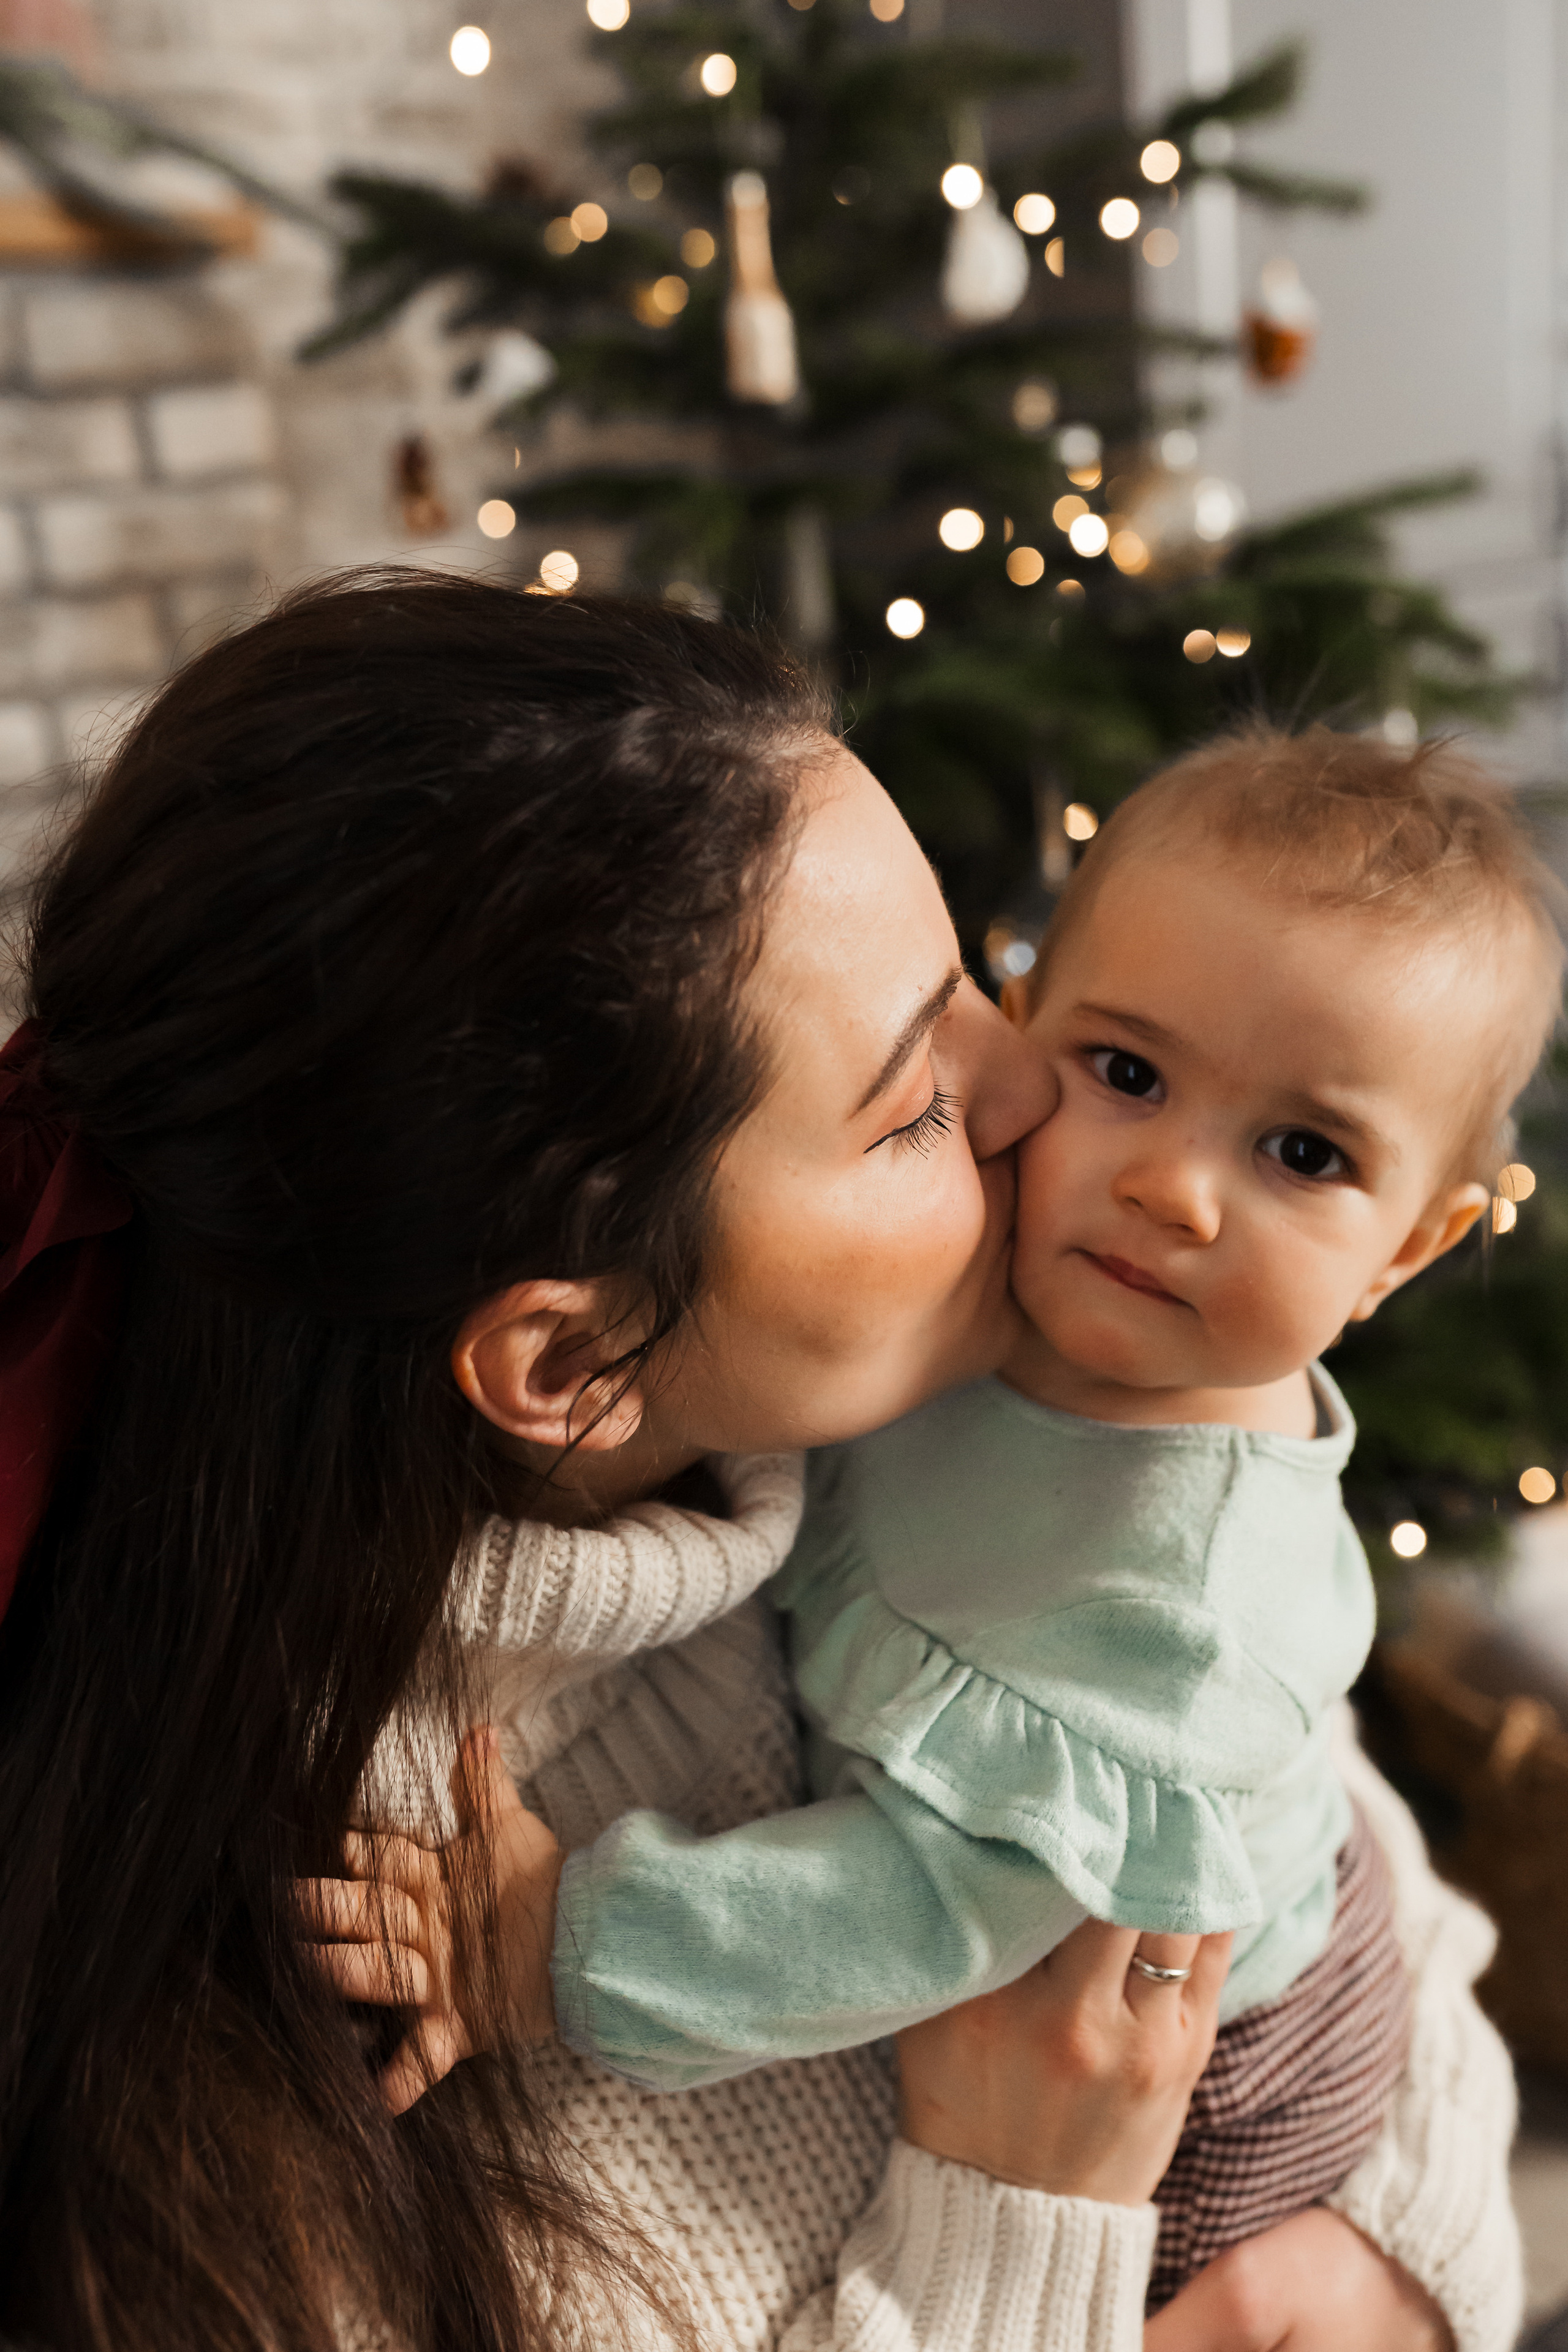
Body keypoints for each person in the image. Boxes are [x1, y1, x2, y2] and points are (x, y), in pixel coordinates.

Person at [0, 575, 1513, 2352]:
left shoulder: (924, 1424)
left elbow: (1370, 1892)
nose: (1030, 1088)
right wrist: (1024, 2213)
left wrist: (1389, 2269)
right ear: (570, 1358)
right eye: (912, 1105)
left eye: (971, 981)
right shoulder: (312, 2042)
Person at [518, 726, 1559, 2317]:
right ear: (1029, 1020)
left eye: (1304, 1153)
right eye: (1126, 1073)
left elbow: (931, 1909)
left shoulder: (1191, 1591)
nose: (1175, 1191)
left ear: (1410, 1248)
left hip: (1222, 2099)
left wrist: (555, 1948)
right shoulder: (982, 1312)